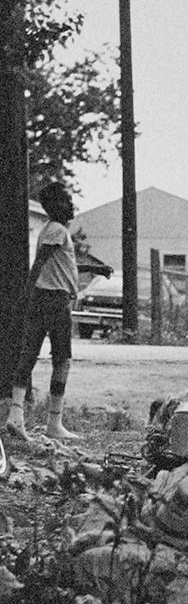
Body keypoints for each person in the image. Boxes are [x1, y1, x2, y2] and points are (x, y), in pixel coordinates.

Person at [6, 181, 102, 442]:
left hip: (45, 297)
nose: (71, 205)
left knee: (30, 354)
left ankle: (16, 415)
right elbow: (39, 264)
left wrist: (94, 268)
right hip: (54, 300)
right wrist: (25, 294)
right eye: (66, 200)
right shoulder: (57, 230)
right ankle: (53, 422)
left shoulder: (53, 231)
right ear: (54, 206)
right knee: (62, 359)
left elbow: (63, 263)